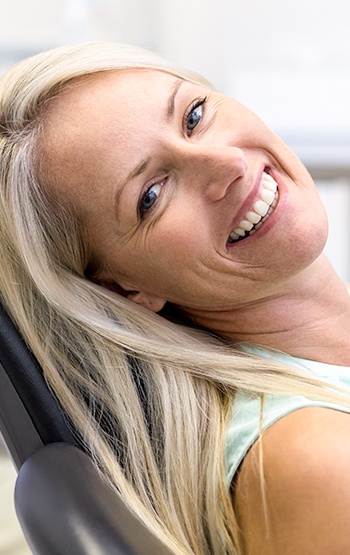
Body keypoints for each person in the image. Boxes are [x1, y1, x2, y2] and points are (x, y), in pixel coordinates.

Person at [1, 42, 350, 555]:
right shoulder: (315, 462)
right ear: (123, 288)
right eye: (151, 195)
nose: (227, 162)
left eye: (194, 115)